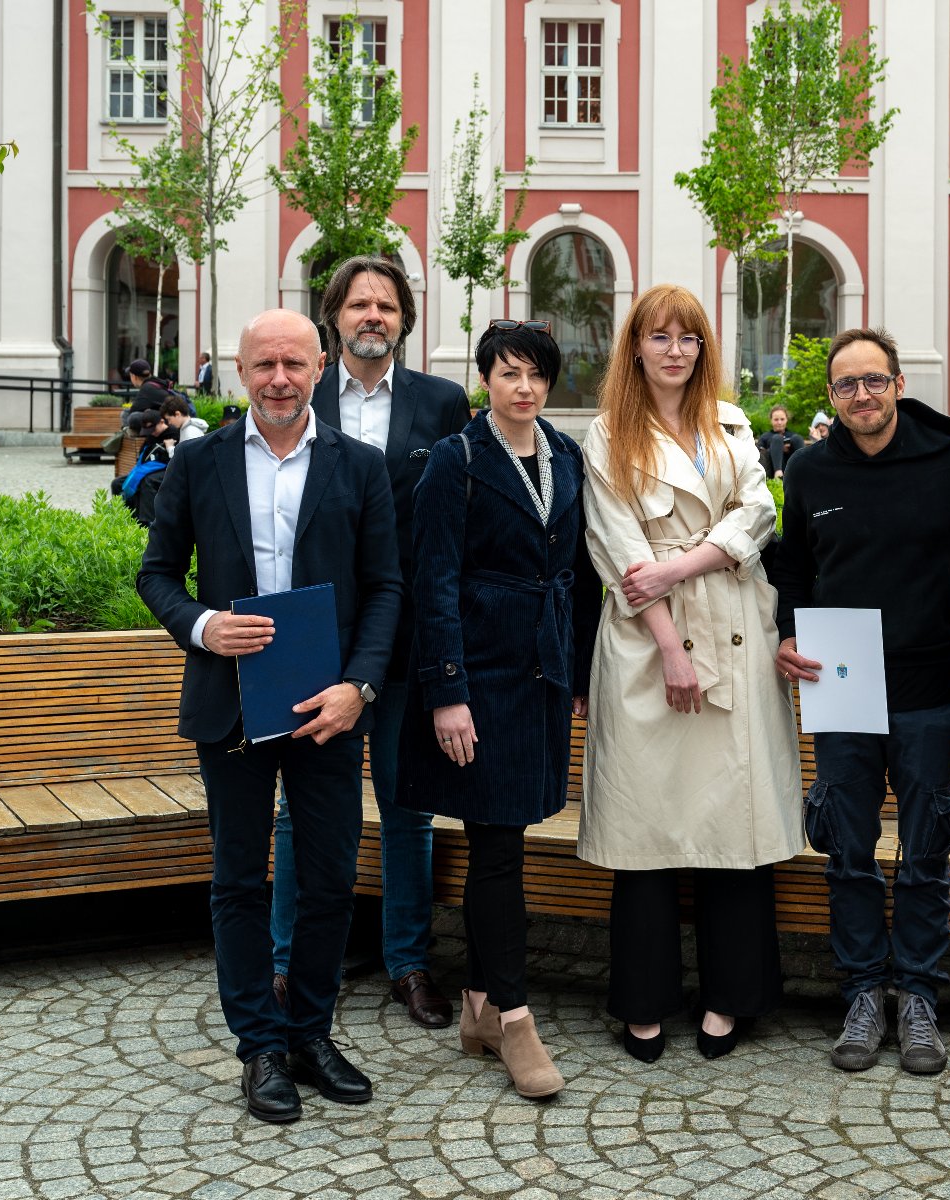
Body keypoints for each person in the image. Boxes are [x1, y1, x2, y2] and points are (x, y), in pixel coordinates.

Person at [136, 307, 402, 1124]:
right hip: (232, 707)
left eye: (293, 363)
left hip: (326, 706)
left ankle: (309, 1032)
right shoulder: (201, 460)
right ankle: (259, 1046)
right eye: (263, 366)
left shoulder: (359, 467)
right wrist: (203, 626)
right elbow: (157, 574)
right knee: (239, 881)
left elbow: (387, 587)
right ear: (238, 372)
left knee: (327, 879)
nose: (279, 379)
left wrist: (358, 685)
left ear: (319, 366)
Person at [579, 283, 801, 1064]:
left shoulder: (731, 423)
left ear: (704, 349)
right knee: (647, 828)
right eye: (659, 336)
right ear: (634, 346)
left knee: (730, 829)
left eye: (688, 337)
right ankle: (643, 1000)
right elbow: (616, 551)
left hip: (734, 626)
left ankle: (729, 996)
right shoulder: (607, 434)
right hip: (648, 643)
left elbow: (759, 512)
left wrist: (688, 563)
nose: (674, 350)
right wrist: (671, 647)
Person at [770, 327, 950, 1075]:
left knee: (926, 850)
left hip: (930, 692)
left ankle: (920, 996)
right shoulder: (807, 471)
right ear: (829, 398)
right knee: (850, 853)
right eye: (845, 385)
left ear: (897, 383)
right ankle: (864, 992)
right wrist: (786, 634)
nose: (860, 395)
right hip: (841, 687)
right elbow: (793, 568)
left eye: (873, 380)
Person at [397, 319, 601, 1099]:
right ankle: (514, 1018)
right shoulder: (455, 461)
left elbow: (580, 573)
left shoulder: (565, 455)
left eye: (536, 374)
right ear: (485, 379)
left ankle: (478, 1009)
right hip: (478, 677)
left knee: (506, 839)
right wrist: (446, 691)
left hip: (541, 673)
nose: (524, 387)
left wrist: (577, 669)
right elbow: (433, 581)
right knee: (496, 848)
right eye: (509, 372)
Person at [268, 255, 471, 1030]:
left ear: (404, 319)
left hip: (407, 635)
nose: (372, 316)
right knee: (298, 813)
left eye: (386, 304)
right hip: (312, 634)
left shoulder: (441, 403)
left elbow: (456, 524)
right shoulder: (297, 392)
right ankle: (288, 964)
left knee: (407, 806)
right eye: (358, 304)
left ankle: (408, 962)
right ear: (333, 318)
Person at [756, 404, 805, 479]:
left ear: (786, 420)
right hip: (771, 468)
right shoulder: (765, 437)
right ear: (771, 421)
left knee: (797, 438)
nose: (779, 422)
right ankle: (778, 474)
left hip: (791, 466)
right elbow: (759, 452)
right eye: (776, 420)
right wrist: (775, 448)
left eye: (782, 419)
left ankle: (803, 471)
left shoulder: (792, 435)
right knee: (777, 438)